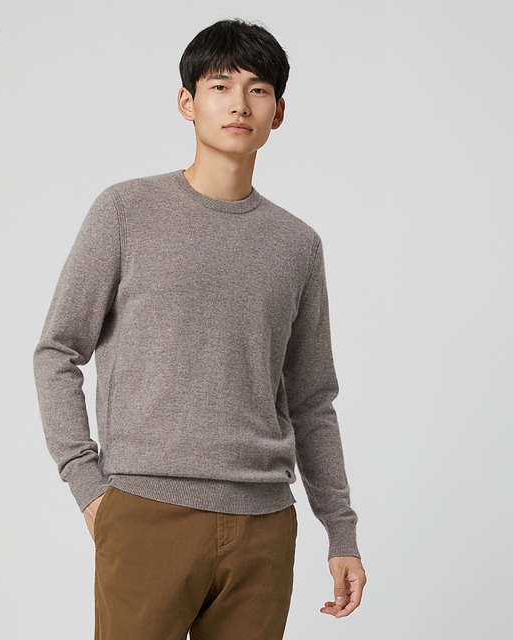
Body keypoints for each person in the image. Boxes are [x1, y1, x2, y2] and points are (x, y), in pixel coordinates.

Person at [33, 17, 366, 640]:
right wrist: (88, 484)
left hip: (264, 526)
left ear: (279, 112)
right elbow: (57, 350)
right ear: (187, 102)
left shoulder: (298, 245)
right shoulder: (125, 211)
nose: (239, 103)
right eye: (220, 86)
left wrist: (340, 532)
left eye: (258, 89)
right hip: (146, 511)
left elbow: (313, 399)